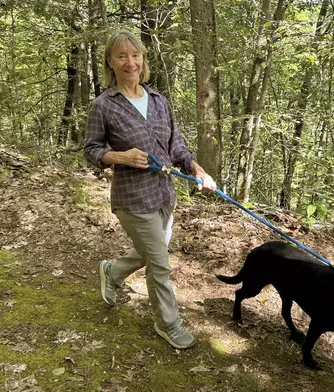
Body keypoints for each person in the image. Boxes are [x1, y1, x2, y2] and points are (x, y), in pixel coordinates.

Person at [84, 29, 216, 350]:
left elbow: (178, 148)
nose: (130, 62)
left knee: (148, 253)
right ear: (110, 62)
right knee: (160, 263)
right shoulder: (104, 105)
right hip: (133, 199)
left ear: (143, 60)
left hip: (164, 195)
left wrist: (198, 171)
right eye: (122, 56)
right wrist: (120, 157)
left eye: (135, 55)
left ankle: (112, 272)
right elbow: (91, 150)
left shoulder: (159, 101)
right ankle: (169, 324)